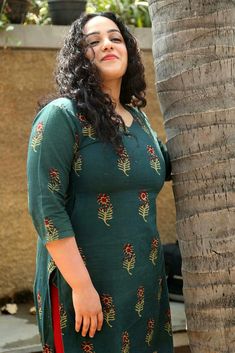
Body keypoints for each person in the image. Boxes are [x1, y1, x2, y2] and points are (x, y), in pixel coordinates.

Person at [27, 11, 173, 353]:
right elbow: (44, 206)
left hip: (144, 288)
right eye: (94, 41)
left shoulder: (139, 121)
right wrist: (82, 287)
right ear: (80, 57)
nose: (107, 44)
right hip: (84, 291)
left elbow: (171, 165)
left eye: (116, 38)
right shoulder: (62, 116)